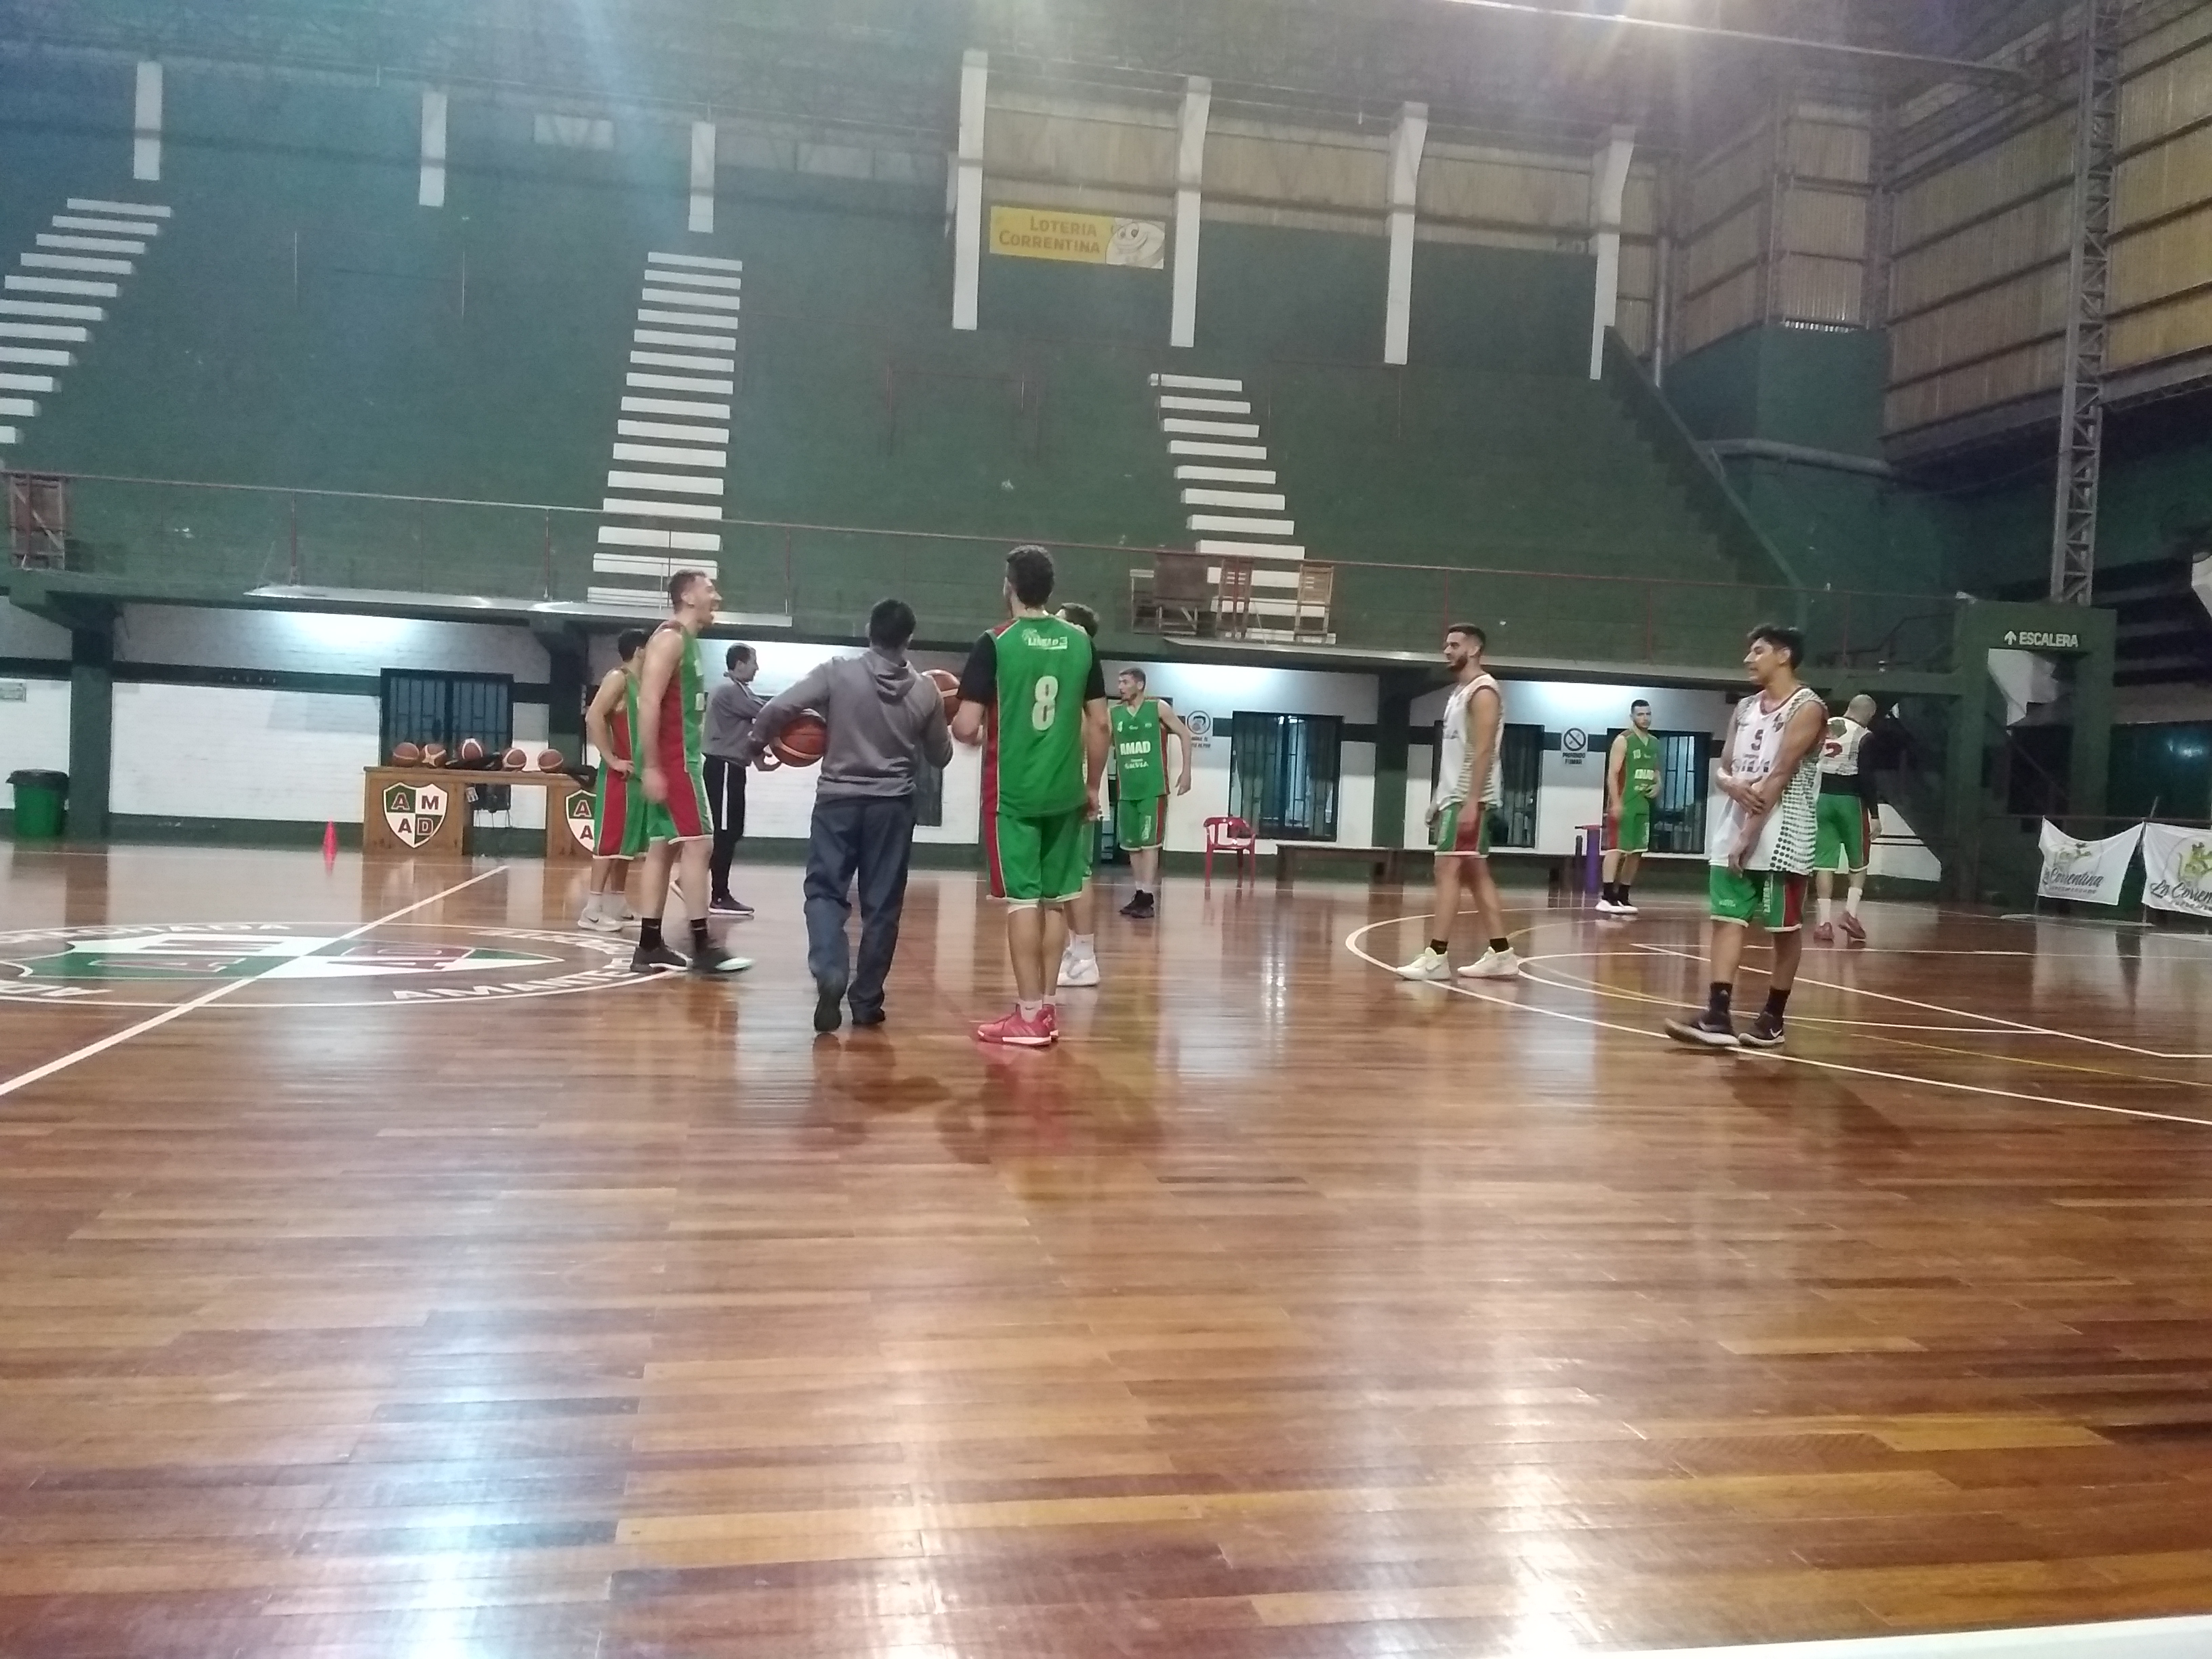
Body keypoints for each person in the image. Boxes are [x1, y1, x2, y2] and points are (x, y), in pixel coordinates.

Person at [742, 599, 951, 1035]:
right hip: (893, 808)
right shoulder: (926, 691)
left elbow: (776, 708)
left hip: (837, 801)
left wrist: (757, 742)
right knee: (882, 907)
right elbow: (940, 755)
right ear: (909, 638)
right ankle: (867, 1000)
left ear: (868, 630)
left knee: (824, 892)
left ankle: (830, 970)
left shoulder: (837, 672)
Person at [953, 546, 1109, 1047]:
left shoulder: (995, 643)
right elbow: (1101, 724)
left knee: (1022, 902)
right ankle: (1045, 1012)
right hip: (1066, 793)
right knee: (1058, 900)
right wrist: (1091, 786)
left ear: (1010, 587)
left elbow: (967, 726)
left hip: (1015, 794)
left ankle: (1029, 1015)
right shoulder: (1081, 643)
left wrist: (957, 718)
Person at [1665, 624, 1825, 1050]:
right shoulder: (1746, 707)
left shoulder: (1808, 708)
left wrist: (1748, 835)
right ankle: (1717, 1015)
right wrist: (1730, 785)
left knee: (1784, 929)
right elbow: (1724, 765)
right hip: (1733, 827)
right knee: (1726, 921)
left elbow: (1780, 775)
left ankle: (1773, 1018)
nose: (1748, 660)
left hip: (1784, 835)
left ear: (1784, 655)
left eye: (1757, 651)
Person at [633, 569, 752, 977]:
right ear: (687, 596)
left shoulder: (687, 643)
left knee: (663, 849)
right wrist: (651, 765)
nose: (717, 597)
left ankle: (649, 945)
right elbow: (647, 702)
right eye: (710, 589)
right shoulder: (669, 639)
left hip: (676, 759)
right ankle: (703, 945)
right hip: (675, 762)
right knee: (701, 845)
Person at [1397, 623, 1521, 982]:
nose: (1447, 650)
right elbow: (1453, 752)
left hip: (1471, 797)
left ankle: (1436, 957)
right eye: (1446, 644)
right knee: (1474, 873)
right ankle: (1502, 954)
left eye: (1455, 645)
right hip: (1455, 796)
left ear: (1476, 648)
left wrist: (1470, 801)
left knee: (1447, 869)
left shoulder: (1484, 691)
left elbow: (1483, 750)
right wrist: (1438, 798)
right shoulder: (1459, 693)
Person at [1108, 667, 1195, 919]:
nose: (1120, 687)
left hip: (1152, 788)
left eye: (1125, 682)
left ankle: (1147, 895)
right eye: (1119, 682)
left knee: (1150, 844)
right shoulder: (1114, 713)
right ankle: (1139, 893)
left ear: (1140, 685)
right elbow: (1099, 740)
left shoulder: (1158, 708)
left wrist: (1186, 772)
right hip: (1127, 789)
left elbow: (1185, 735)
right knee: (1132, 846)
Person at [577, 628, 649, 933]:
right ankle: (591, 910)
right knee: (609, 842)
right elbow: (593, 716)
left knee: (628, 843)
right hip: (618, 775)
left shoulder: (643, 684)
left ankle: (617, 901)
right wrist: (611, 759)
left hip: (637, 775)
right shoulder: (618, 678)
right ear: (640, 651)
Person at [1053, 603, 1105, 991]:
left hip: (1074, 781)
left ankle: (1086, 957)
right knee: (1066, 874)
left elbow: (1099, 726)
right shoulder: (1069, 669)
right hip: (1064, 780)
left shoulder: (1083, 665)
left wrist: (1092, 785)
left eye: (1060, 616)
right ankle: (1076, 950)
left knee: (1078, 872)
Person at [703, 642, 764, 919]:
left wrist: (759, 758)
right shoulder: (730, 691)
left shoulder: (739, 691)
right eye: (754, 662)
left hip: (733, 768)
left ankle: (692, 881)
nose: (757, 668)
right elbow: (765, 713)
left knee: (733, 830)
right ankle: (719, 895)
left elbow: (749, 732)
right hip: (724, 768)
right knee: (725, 832)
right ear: (740, 663)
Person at [1813, 693, 1879, 945]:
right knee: (1858, 862)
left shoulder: (1825, 727)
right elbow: (1867, 778)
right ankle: (1850, 915)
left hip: (1821, 799)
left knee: (1824, 863)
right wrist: (1874, 814)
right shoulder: (1864, 736)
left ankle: (1823, 924)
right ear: (1869, 715)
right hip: (1849, 800)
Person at [1597, 699, 1660, 918]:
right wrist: (1615, 803)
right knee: (1616, 849)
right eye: (1641, 714)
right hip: (1624, 803)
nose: (1645, 718)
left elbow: (1656, 771)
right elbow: (1613, 774)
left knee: (1636, 852)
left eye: (1648, 714)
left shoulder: (1654, 742)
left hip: (1643, 805)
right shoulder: (1623, 740)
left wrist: (1658, 785)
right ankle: (1606, 896)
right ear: (1632, 717)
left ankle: (1623, 895)